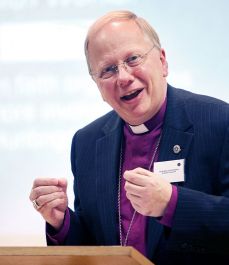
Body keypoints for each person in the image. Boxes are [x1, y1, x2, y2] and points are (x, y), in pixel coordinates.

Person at [29, 10, 229, 265]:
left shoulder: (219, 121)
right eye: (108, 70)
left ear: (163, 61)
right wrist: (62, 222)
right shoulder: (86, 143)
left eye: (133, 59)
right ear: (98, 86)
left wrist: (172, 205)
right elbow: (94, 247)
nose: (123, 77)